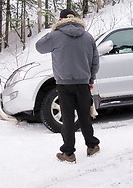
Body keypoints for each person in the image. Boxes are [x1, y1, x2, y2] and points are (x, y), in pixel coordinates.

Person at [36, 9, 100, 163]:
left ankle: (68, 153)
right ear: (76, 19)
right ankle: (92, 146)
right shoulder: (87, 36)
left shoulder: (55, 36)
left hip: (64, 84)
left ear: (60, 19)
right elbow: (95, 61)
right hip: (83, 83)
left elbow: (39, 47)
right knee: (85, 115)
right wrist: (90, 78)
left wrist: (52, 30)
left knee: (68, 118)